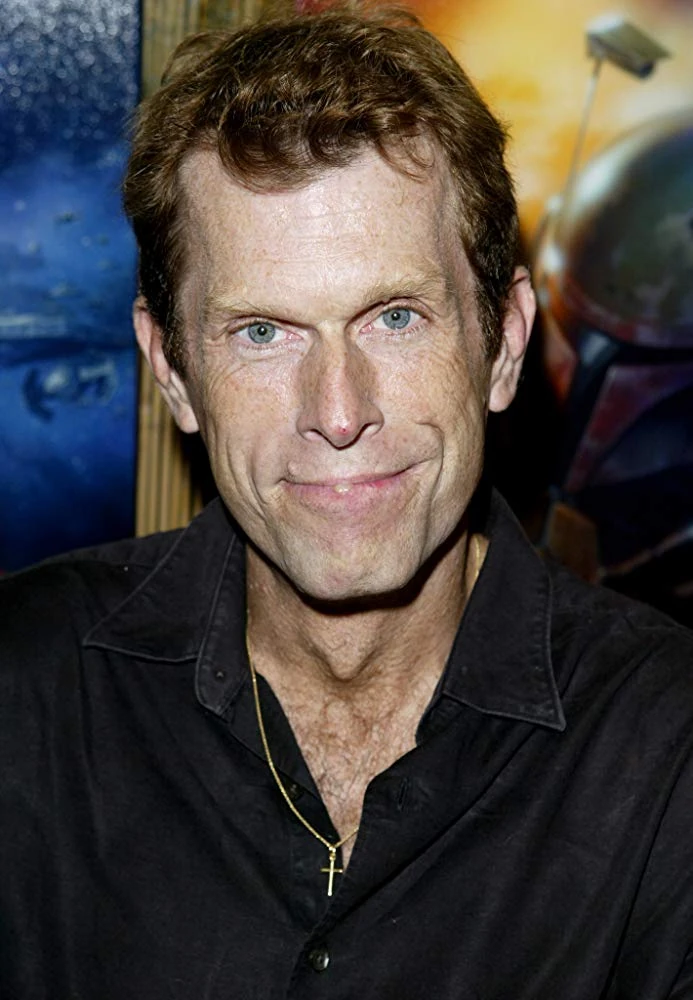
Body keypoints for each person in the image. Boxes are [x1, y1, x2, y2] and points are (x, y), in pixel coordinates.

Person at [2, 6, 693, 998]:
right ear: (173, 372)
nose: (337, 412)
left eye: (394, 317)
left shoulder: (666, 748)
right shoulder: (24, 691)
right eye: (262, 332)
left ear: (502, 345)